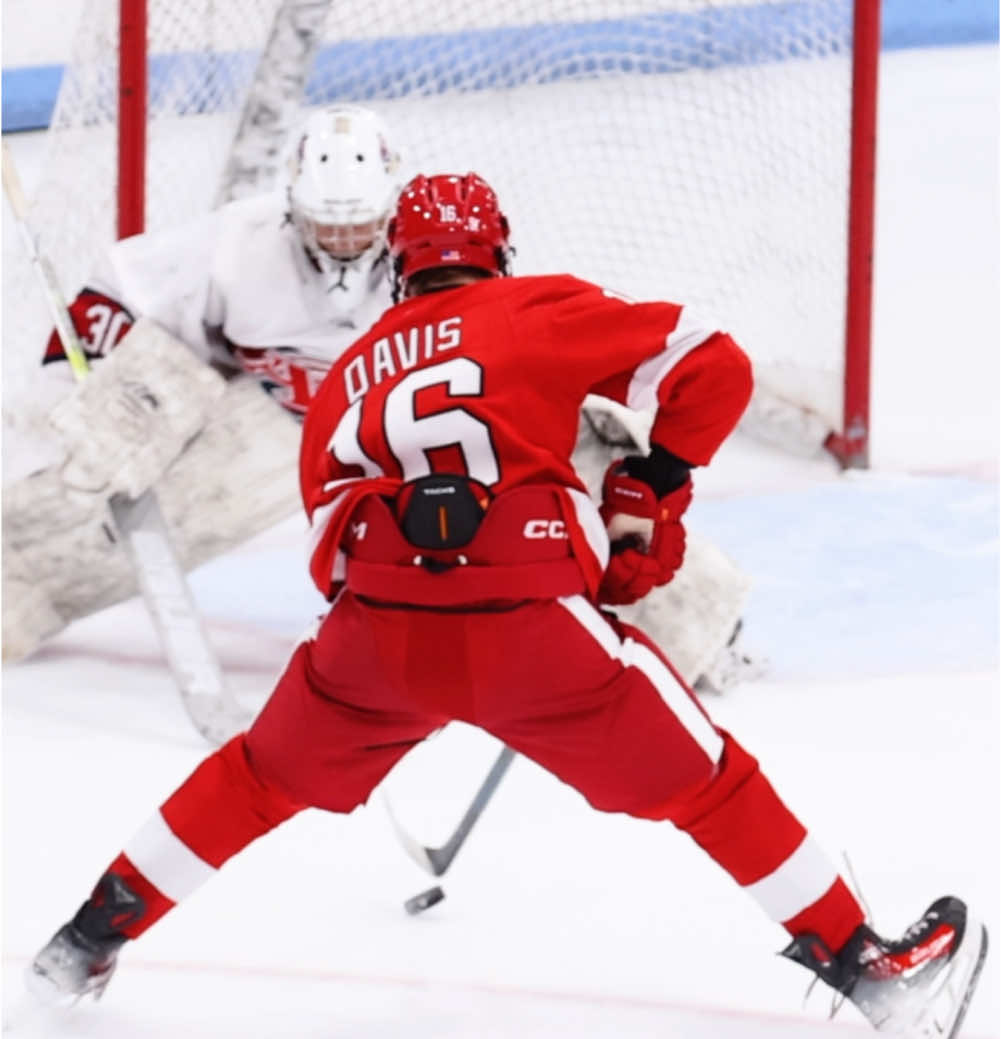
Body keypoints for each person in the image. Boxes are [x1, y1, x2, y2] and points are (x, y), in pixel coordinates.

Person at [27, 172, 987, 1039]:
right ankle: (865, 967)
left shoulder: (350, 371)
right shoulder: (536, 308)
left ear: (400, 264)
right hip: (534, 628)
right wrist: (648, 487)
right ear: (499, 252)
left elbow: (329, 549)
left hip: (375, 636)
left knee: (252, 780)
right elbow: (712, 366)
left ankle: (82, 942)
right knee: (710, 783)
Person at [2, 105, 758, 692]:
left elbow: (537, 339)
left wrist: (617, 440)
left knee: (591, 491)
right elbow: (117, 295)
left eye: (361, 222)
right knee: (109, 496)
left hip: (442, 422)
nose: (342, 239)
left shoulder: (441, 251)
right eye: (326, 222)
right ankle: (15, 586)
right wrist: (92, 382)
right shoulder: (239, 240)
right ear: (291, 203)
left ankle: (695, 628)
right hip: (282, 420)